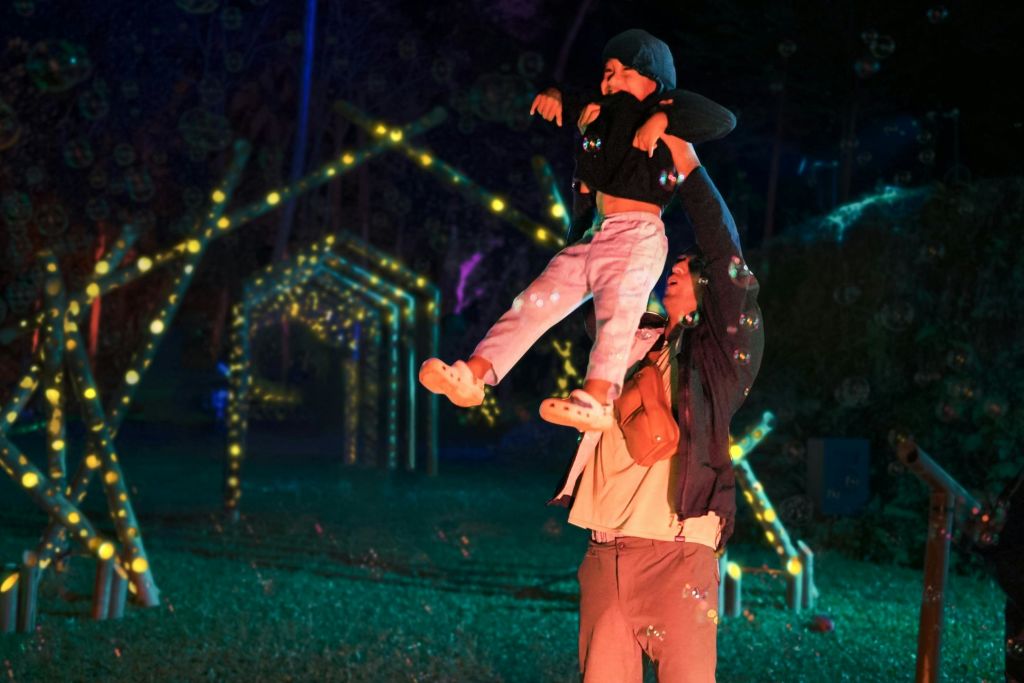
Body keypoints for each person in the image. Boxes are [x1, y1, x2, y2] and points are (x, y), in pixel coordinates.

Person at [419, 29, 735, 432]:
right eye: (607, 72)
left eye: (623, 73)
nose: (610, 81)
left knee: (616, 317)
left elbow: (723, 119)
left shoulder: (666, 108)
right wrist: (554, 96)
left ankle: (599, 397)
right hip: (595, 236)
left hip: (636, 236)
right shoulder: (599, 111)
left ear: (654, 81)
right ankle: (475, 376)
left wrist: (662, 116)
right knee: (532, 303)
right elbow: (566, 101)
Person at [548, 140, 764, 682]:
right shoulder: (627, 342)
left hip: (675, 554)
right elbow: (595, 262)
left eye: (691, 268)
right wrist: (592, 173)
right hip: (603, 554)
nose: (677, 268)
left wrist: (688, 169)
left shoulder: (718, 362)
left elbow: (725, 253)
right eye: (677, 262)